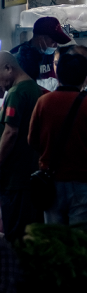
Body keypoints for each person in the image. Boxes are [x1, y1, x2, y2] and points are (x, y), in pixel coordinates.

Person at [28, 54, 87, 229]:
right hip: (84, 179)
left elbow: (32, 140)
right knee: (80, 240)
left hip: (51, 180)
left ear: (58, 74)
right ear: (85, 78)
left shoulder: (43, 102)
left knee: (56, 240)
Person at [0, 49, 42, 240]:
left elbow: (10, 133)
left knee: (15, 235)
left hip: (15, 177)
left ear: (8, 68)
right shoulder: (33, 88)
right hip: (28, 172)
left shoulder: (17, 93)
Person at [13, 16, 71, 90]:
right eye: (53, 42)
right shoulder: (18, 57)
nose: (56, 46)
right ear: (40, 39)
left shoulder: (54, 55)